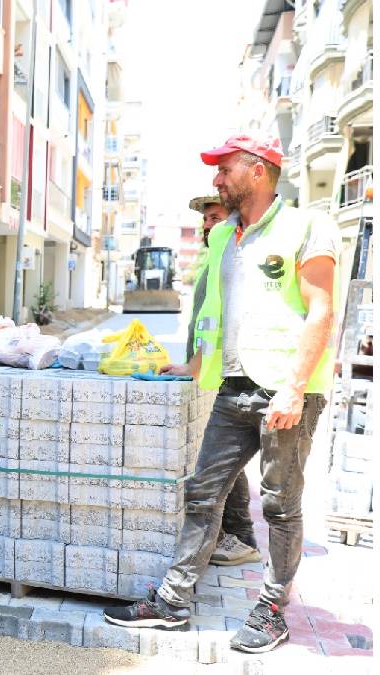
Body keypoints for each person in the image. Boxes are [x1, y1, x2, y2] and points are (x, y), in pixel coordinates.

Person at [104, 132, 338, 654]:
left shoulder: (307, 227)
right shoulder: (223, 236)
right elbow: (214, 310)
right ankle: (173, 601)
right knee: (202, 491)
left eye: (224, 168)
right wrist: (196, 364)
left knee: (280, 504)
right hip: (233, 387)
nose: (216, 178)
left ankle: (272, 610)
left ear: (257, 170)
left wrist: (295, 389)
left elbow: (321, 311)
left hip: (285, 392)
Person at [186, 194, 261, 568]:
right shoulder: (214, 258)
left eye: (213, 217)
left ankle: (240, 536)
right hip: (213, 376)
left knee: (224, 464)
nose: (206, 225)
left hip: (233, 377)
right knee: (227, 462)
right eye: (204, 220)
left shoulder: (236, 257)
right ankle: (236, 536)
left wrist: (196, 366)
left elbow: (222, 323)